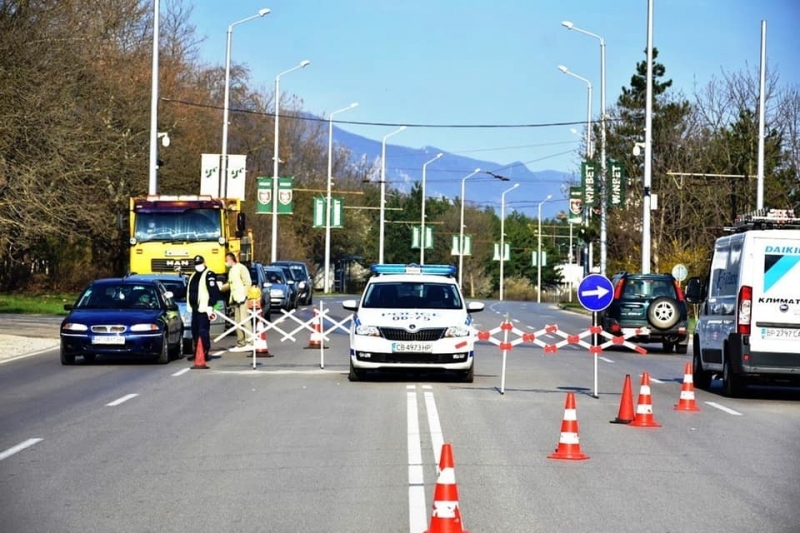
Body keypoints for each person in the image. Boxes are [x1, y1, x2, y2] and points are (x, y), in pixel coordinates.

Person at [187, 255, 222, 360]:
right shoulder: (193, 275)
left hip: (204, 308)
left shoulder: (209, 274)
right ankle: (197, 352)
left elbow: (214, 291)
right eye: (196, 264)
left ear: (204, 263)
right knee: (195, 331)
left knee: (203, 331)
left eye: (200, 263)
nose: (198, 265)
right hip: (194, 308)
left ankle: (205, 351)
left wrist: (211, 305)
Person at [222, 252, 253, 351]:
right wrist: (220, 288)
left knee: (245, 320)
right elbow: (230, 284)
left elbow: (248, 282)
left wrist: (244, 294)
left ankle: (251, 342)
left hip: (242, 298)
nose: (226, 263)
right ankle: (241, 343)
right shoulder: (231, 270)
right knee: (237, 322)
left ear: (231, 259)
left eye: (226, 260)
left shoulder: (241, 268)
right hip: (235, 299)